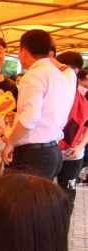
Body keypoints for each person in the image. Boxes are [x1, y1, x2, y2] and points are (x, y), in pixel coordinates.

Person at [2, 30, 74, 181]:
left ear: (24, 51)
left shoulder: (33, 75)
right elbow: (61, 115)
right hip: (52, 150)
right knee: (41, 196)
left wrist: (10, 142)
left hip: (33, 155)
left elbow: (30, 118)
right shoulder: (59, 75)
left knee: (23, 196)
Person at [55, 51, 88, 213]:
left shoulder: (84, 95)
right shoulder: (53, 91)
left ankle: (63, 226)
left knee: (66, 196)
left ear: (73, 71)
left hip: (73, 153)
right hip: (49, 152)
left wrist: (80, 146)